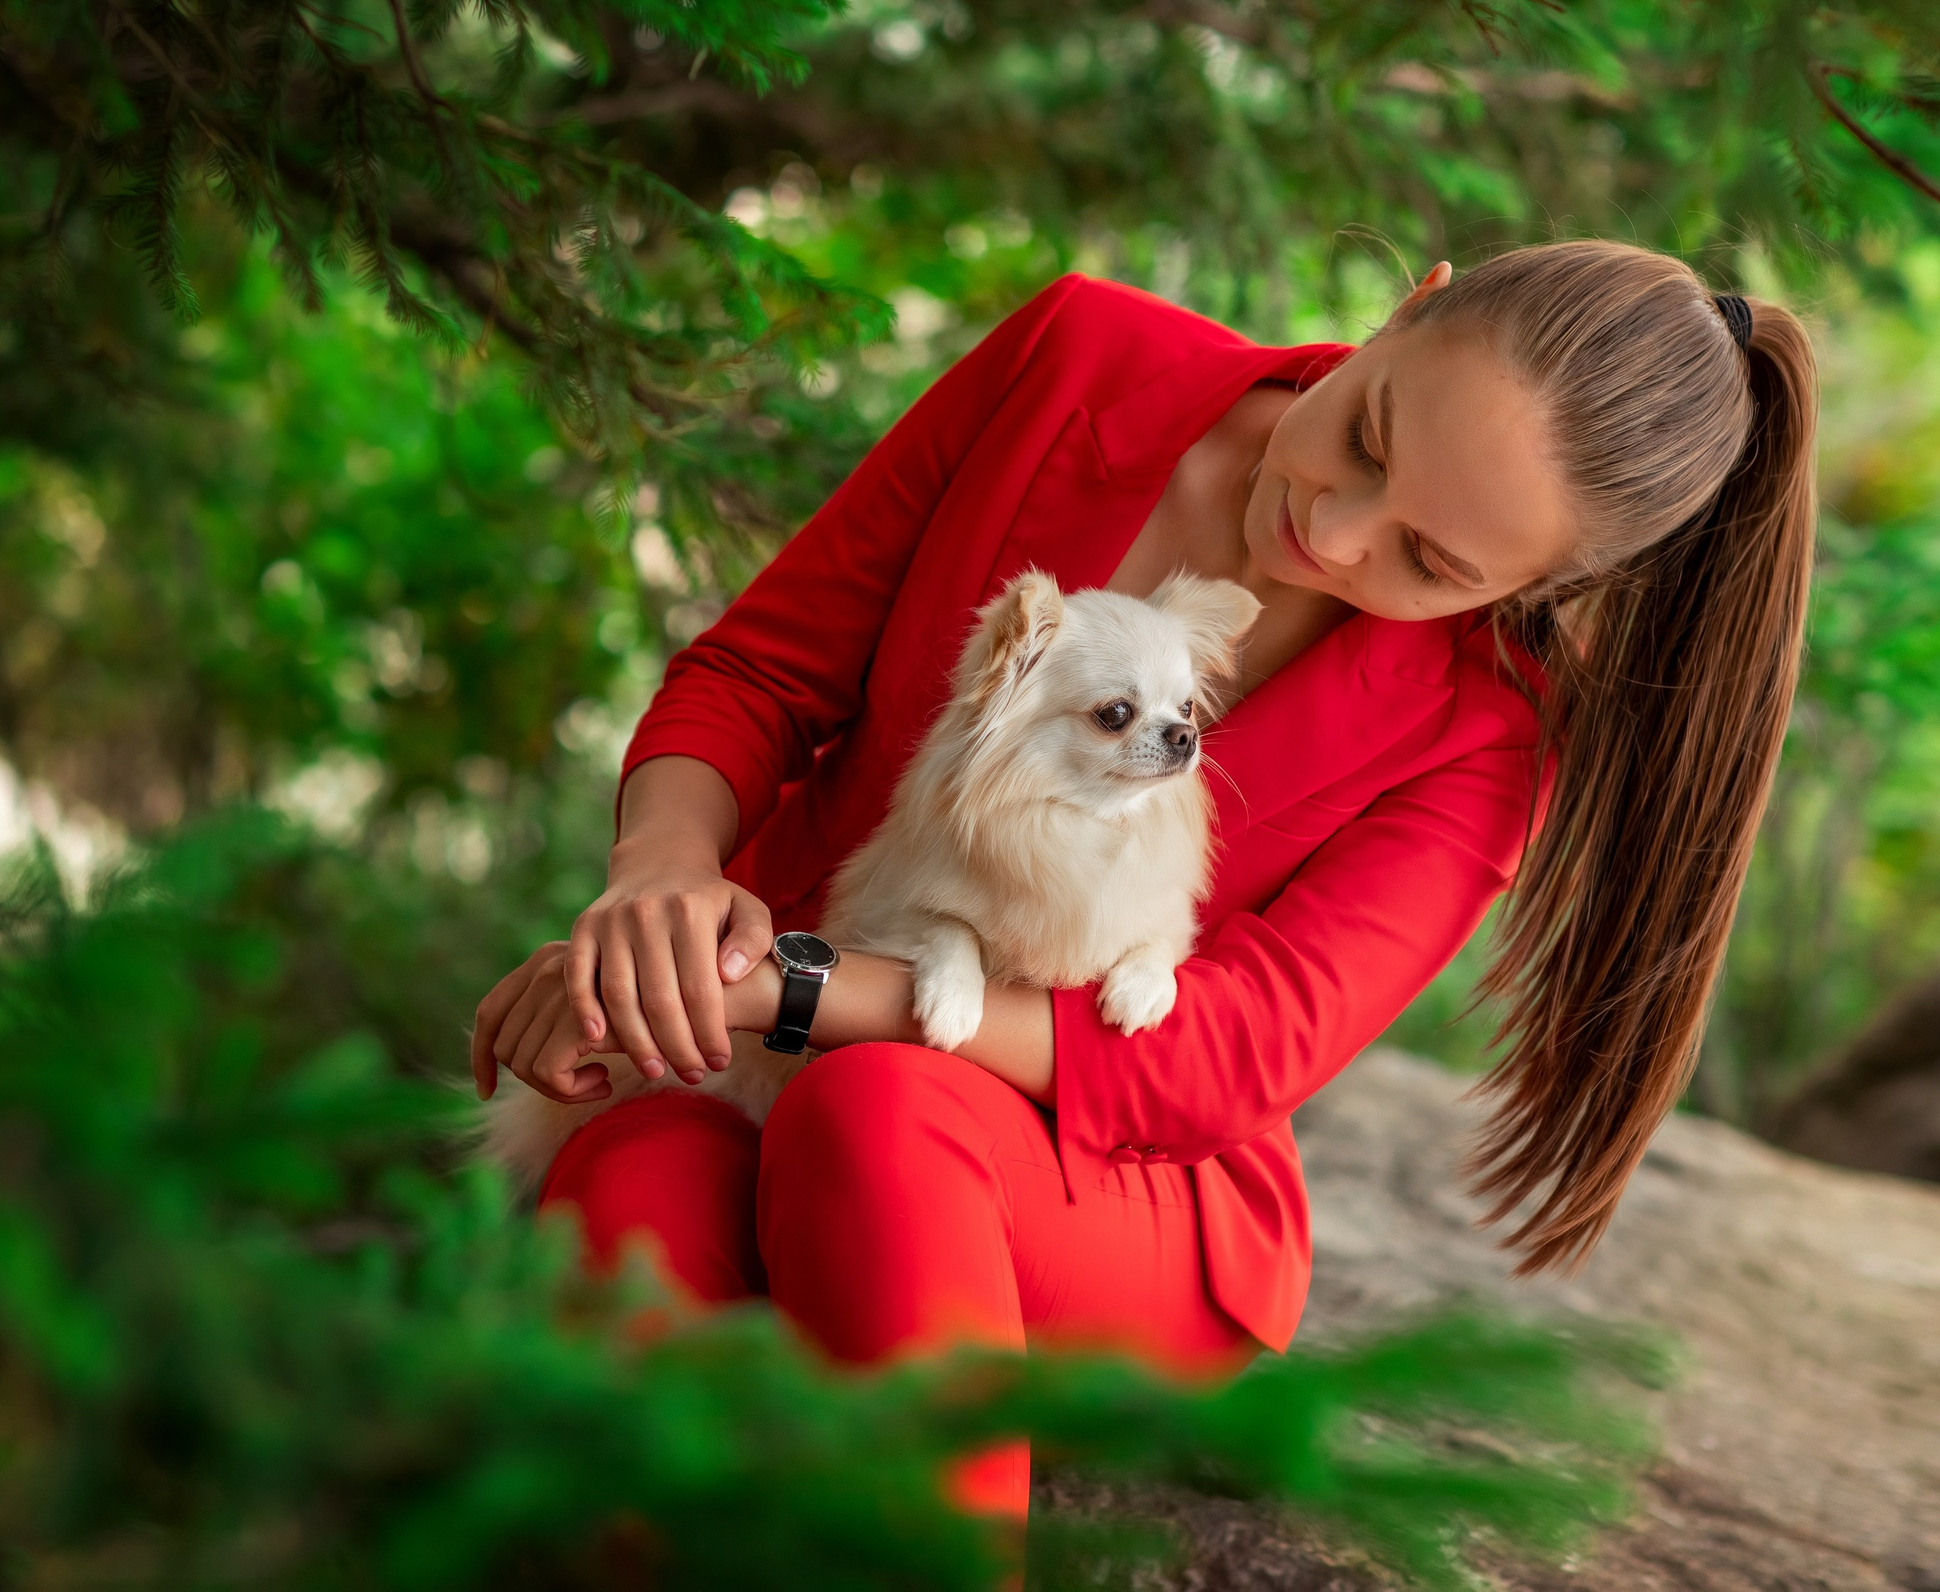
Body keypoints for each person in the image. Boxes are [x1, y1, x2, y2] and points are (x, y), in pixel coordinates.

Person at [470, 240, 1818, 1520]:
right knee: (638, 1179)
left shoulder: (1492, 728)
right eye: (1365, 437)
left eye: (1432, 561)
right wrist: (657, 901)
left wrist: (790, 989)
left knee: (884, 1110)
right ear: (1411, 303)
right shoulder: (1076, 359)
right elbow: (763, 673)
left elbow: (1227, 1052)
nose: (1338, 533)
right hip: (765, 1051)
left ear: (1553, 585)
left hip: (1110, 1176)